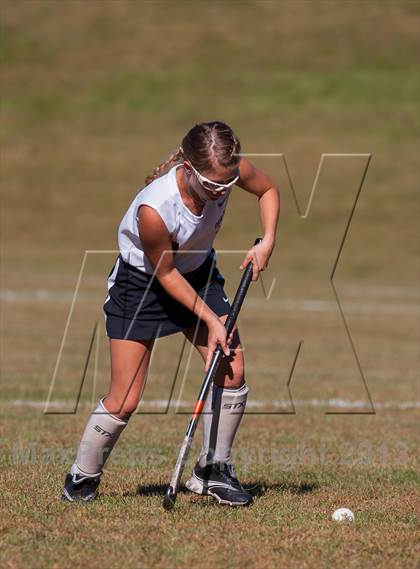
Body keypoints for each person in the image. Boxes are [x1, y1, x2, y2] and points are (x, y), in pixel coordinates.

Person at [61, 120, 280, 506]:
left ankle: (212, 470)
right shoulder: (155, 208)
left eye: (227, 184)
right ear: (189, 169)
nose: (221, 192)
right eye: (212, 185)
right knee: (125, 398)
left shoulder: (228, 170)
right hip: (142, 284)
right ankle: (81, 478)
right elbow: (164, 274)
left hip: (197, 275)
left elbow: (267, 190)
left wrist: (267, 241)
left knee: (231, 369)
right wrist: (211, 320)